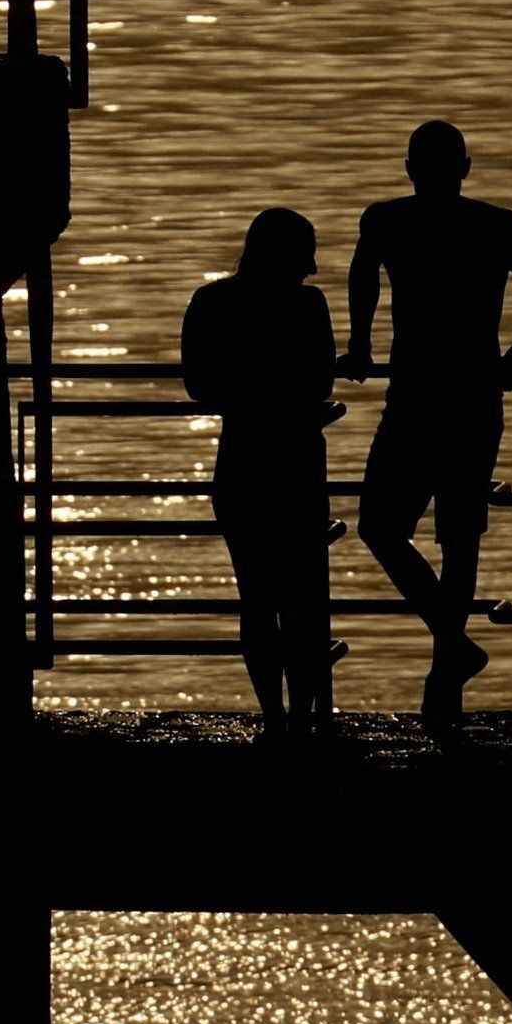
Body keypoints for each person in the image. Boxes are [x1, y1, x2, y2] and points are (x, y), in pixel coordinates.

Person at [340, 121, 512, 725]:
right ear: (466, 167)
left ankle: (451, 656)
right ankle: (450, 655)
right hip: (473, 395)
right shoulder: (498, 224)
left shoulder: (386, 220)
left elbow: (363, 279)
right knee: (457, 539)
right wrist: (510, 363)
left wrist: (360, 346)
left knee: (383, 528)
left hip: (415, 394)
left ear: (409, 167)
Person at [180, 207, 344, 731]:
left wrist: (247, 396)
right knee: (302, 598)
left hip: (240, 462)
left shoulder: (211, 302)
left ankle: (272, 716)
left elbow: (197, 385)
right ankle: (301, 717)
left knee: (255, 597)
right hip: (296, 463)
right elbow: (322, 384)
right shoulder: (307, 306)